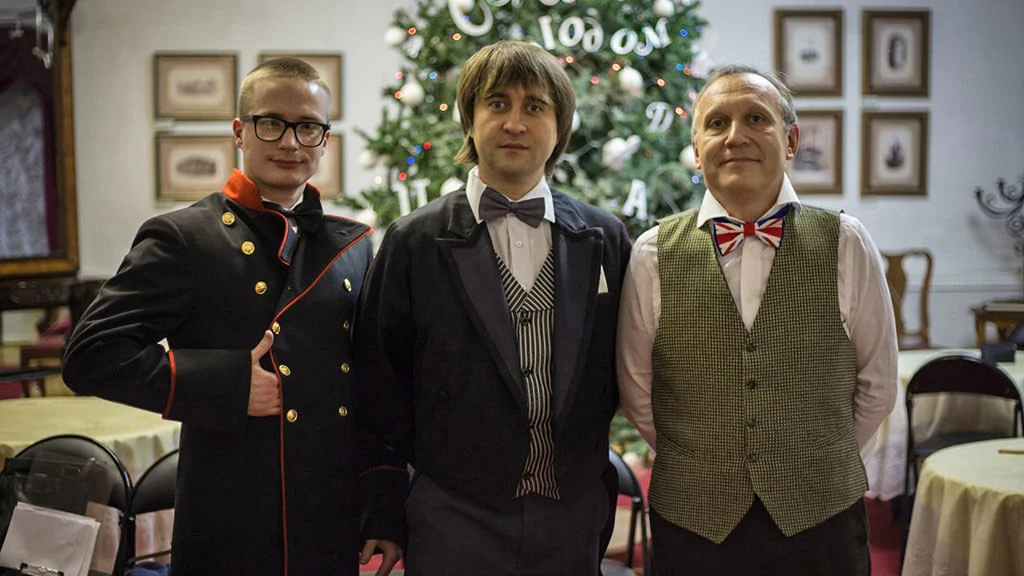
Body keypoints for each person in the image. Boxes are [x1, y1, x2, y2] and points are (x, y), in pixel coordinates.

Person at [62, 58, 405, 576]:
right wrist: (228, 384)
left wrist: (383, 503)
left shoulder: (353, 244)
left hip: (329, 518)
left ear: (325, 140)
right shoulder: (185, 237)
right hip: (230, 517)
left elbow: (373, 384)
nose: (290, 142)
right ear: (240, 131)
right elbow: (90, 355)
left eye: (307, 126)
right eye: (271, 123)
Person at [354, 40, 631, 576]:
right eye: (497, 103)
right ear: (469, 118)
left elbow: (626, 368)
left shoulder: (605, 238)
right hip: (452, 515)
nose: (515, 123)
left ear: (560, 125)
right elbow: (377, 382)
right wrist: (383, 506)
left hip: (572, 515)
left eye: (535, 106)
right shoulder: (414, 241)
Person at [616, 64, 897, 575]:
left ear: (790, 141)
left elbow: (878, 382)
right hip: (694, 522)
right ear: (696, 148)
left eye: (755, 118)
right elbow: (638, 391)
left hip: (823, 521)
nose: (735, 136)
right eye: (716, 123)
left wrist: (818, 462)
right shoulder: (652, 253)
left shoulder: (846, 242)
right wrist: (702, 464)